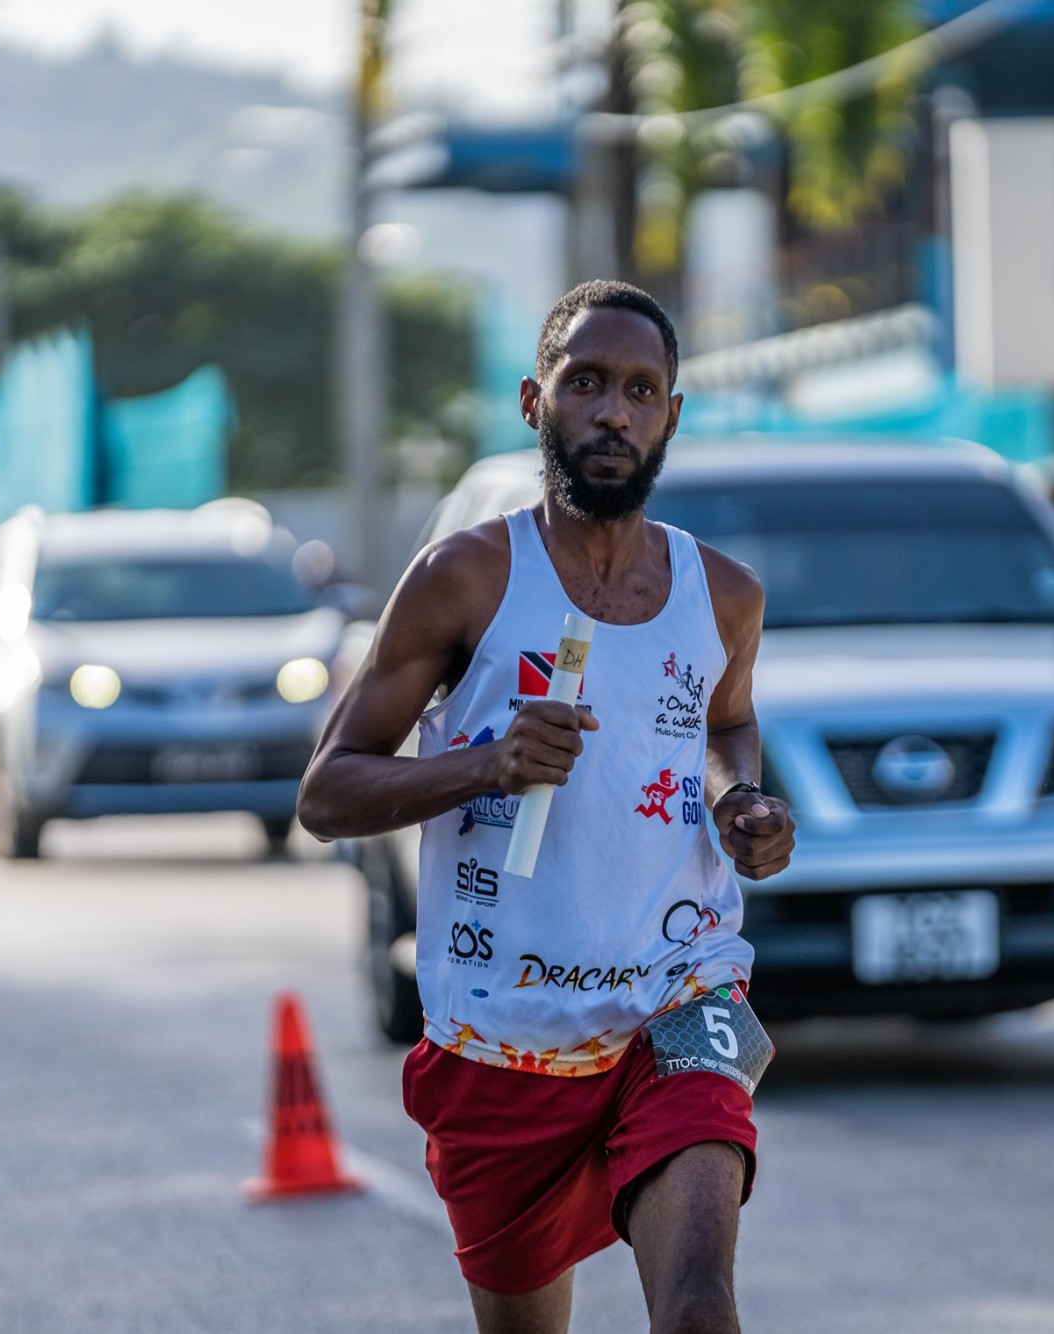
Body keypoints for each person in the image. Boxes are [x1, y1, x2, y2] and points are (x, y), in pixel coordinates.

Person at [298, 279, 796, 1334]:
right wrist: (486, 765)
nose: (613, 412)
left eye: (641, 390)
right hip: (505, 1037)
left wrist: (740, 801)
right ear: (535, 400)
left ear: (671, 414)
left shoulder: (726, 595)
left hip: (679, 992)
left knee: (700, 1307)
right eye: (586, 383)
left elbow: (721, 724)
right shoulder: (463, 579)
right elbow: (327, 792)